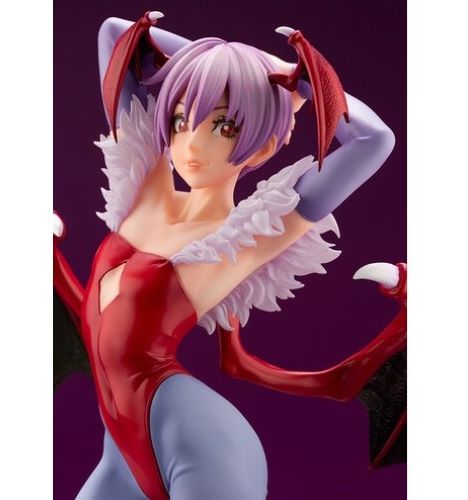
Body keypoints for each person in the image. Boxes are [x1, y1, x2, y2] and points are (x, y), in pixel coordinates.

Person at [54, 12, 404, 500]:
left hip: (201, 443)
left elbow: (373, 139)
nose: (192, 144)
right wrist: (218, 66)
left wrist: (286, 80)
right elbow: (117, 34)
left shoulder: (244, 236)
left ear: (263, 146)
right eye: (181, 120)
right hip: (121, 452)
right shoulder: (144, 190)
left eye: (222, 125)